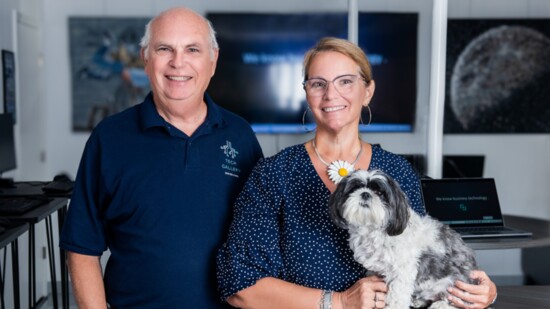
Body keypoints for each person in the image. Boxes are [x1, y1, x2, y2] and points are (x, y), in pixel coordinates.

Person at [217, 37, 497, 309]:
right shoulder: (273, 175)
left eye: (346, 82)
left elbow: (426, 267)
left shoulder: (399, 172)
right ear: (306, 92)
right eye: (318, 84)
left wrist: (481, 292)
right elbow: (240, 286)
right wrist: (337, 302)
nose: (331, 94)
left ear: (368, 91)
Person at [60, 7, 263, 308]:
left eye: (192, 49)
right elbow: (81, 248)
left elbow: (262, 240)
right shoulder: (109, 138)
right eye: (164, 49)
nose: (177, 62)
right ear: (145, 57)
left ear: (213, 60)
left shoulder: (241, 136)